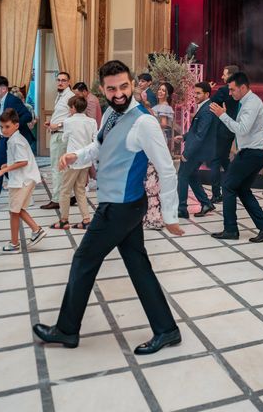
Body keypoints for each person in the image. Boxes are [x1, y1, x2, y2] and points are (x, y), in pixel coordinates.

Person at [32, 60, 185, 355]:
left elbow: (167, 169)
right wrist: (74, 155)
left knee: (83, 260)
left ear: (132, 86)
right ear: (102, 90)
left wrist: (170, 215)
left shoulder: (144, 122)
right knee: (139, 267)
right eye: (112, 88)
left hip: (121, 207)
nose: (118, 93)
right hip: (116, 203)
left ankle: (66, 330)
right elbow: (100, 147)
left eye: (124, 87)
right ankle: (167, 330)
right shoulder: (111, 117)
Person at [209, 72, 263, 243]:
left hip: (253, 153)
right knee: (242, 189)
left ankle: (231, 229)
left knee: (228, 186)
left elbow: (242, 129)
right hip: (255, 152)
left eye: (232, 90)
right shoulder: (247, 102)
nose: (230, 93)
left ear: (243, 87)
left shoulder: (251, 104)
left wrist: (222, 115)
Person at [0, 76, 35, 213]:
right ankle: (27, 196)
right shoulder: (1, 100)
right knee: (10, 170)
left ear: (3, 89)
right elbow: (1, 119)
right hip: (6, 139)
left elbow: (27, 115)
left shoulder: (13, 100)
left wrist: (11, 128)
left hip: (12, 140)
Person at [0, 109, 47, 253]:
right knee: (17, 210)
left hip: (22, 181)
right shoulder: (15, 138)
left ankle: (14, 244)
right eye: (2, 127)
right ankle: (36, 230)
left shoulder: (16, 141)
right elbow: (20, 159)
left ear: (16, 125)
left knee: (13, 211)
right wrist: (7, 165)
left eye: (7, 127)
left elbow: (22, 161)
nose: (4, 130)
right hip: (26, 179)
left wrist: (2, 170)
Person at [50, 96, 97, 230]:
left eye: (70, 107)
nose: (69, 110)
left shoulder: (68, 121)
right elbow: (95, 140)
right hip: (86, 160)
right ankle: (86, 219)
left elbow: (64, 139)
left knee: (65, 190)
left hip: (72, 160)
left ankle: (64, 220)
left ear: (73, 108)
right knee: (80, 190)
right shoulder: (92, 121)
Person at [177, 82, 217, 219]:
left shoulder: (207, 110)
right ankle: (206, 203)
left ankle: (182, 209)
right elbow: (196, 131)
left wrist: (187, 153)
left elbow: (200, 135)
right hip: (199, 150)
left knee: (182, 176)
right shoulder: (204, 107)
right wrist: (183, 137)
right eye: (195, 93)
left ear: (207, 94)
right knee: (192, 176)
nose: (196, 96)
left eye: (199, 93)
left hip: (197, 151)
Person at [41, 72, 75, 210]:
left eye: (63, 80)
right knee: (62, 168)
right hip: (57, 133)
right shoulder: (60, 95)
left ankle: (56, 199)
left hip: (61, 135)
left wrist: (58, 125)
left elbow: (74, 117)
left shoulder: (71, 96)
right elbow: (62, 115)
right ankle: (68, 196)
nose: (60, 82)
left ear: (68, 82)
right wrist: (52, 123)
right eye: (58, 80)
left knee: (57, 168)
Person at [209, 65, 240, 203]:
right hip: (233, 128)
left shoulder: (224, 90)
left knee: (215, 160)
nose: (222, 77)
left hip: (223, 128)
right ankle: (235, 186)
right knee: (224, 159)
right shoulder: (242, 91)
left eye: (224, 74)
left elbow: (211, 104)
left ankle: (216, 193)